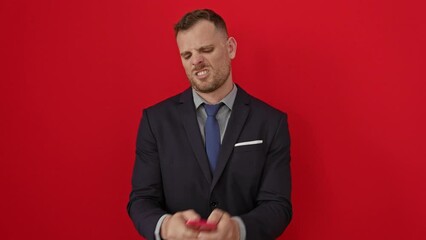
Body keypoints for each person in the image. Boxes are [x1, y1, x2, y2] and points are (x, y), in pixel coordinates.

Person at [127, 9, 292, 240]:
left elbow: (277, 205)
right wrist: (165, 227)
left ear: (230, 48)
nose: (196, 61)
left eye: (206, 49)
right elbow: (141, 199)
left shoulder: (271, 122)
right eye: (187, 55)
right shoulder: (155, 121)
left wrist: (236, 229)